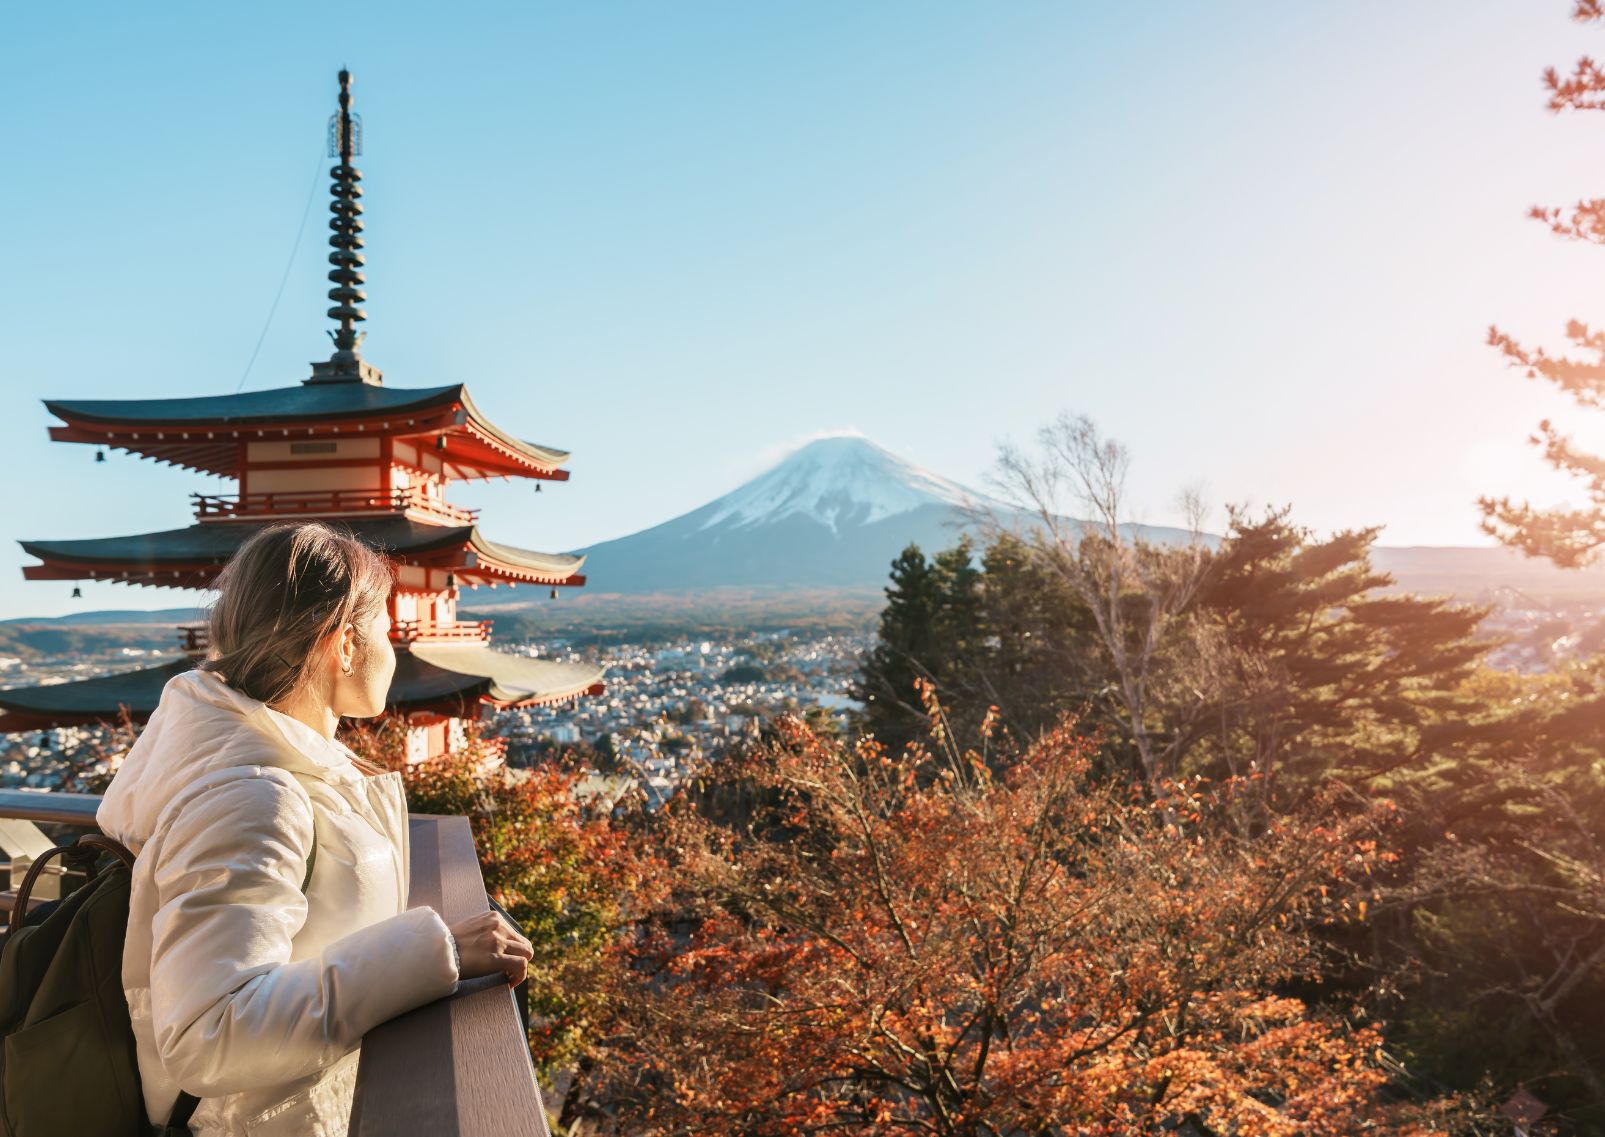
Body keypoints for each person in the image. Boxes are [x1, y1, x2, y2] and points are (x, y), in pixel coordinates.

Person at [96, 521, 534, 1136]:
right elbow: (208, 1034)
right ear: (343, 646)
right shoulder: (253, 796)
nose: (394, 645)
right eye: (384, 626)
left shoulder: (263, 763)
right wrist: (441, 953)